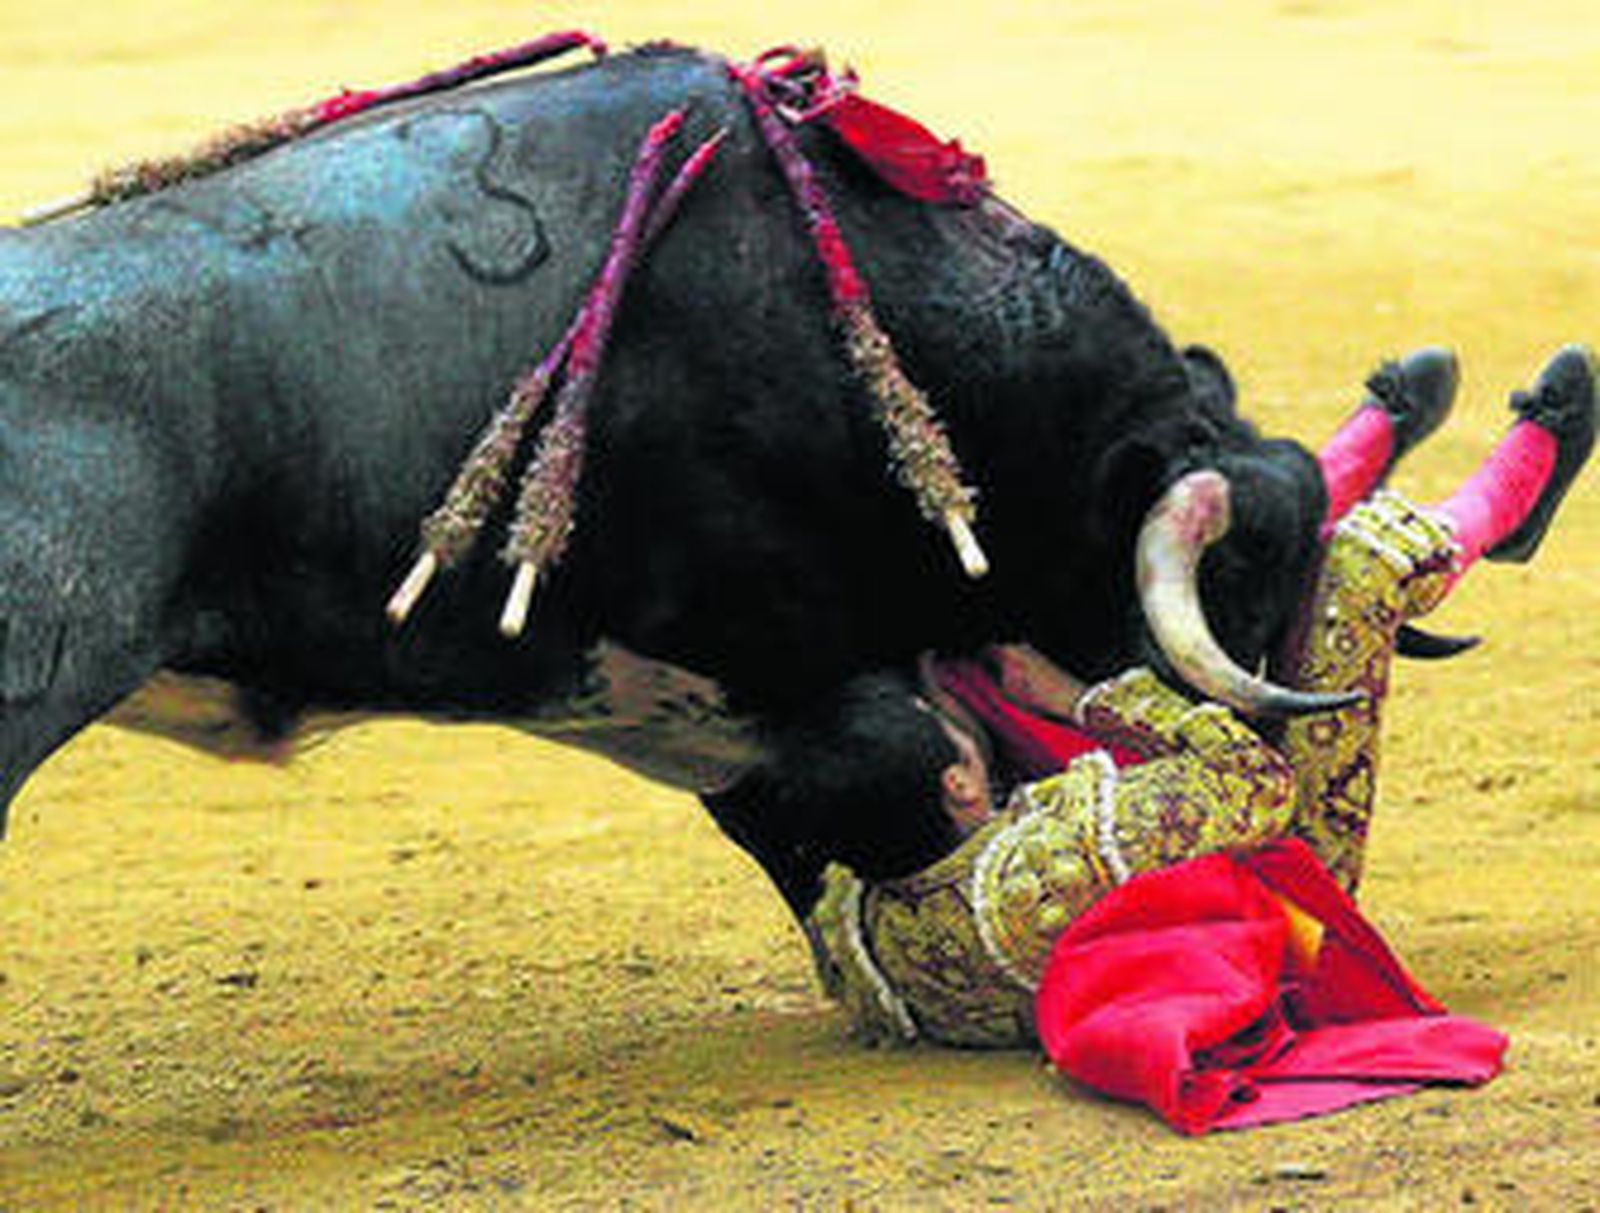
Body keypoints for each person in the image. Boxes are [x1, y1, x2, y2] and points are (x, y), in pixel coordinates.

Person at [778, 344, 1597, 1050]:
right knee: (1357, 571)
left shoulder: (854, 934)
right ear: (959, 783)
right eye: (945, 735)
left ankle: (1358, 451)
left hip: (1143, 855)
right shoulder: (1068, 855)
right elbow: (1256, 782)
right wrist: (1080, 697)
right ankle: (1510, 498)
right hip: (1288, 903)